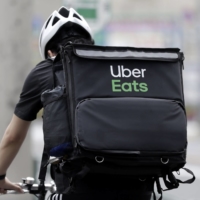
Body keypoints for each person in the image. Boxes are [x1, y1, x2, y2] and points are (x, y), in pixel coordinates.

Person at [0, 6, 153, 199]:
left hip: (80, 186)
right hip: (138, 185)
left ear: (49, 52)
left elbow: (13, 135)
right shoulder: (116, 67)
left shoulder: (46, 71)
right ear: (89, 43)